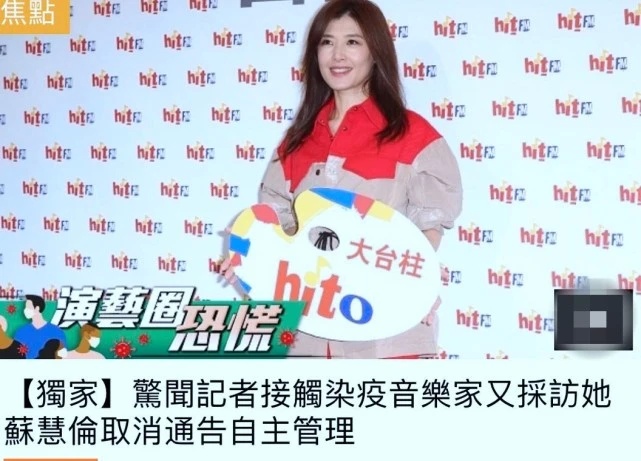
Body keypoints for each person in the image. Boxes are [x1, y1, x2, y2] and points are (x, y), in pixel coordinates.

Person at [223, 0, 462, 358]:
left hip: (385, 334)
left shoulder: (413, 135)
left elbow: (427, 232)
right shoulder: (297, 140)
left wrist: (416, 286)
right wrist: (252, 261)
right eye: (326, 42)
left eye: (352, 42)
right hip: (307, 334)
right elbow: (279, 227)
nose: (337, 55)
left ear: (376, 51)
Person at [14, 294, 67, 359]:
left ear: (37, 308)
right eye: (25, 307)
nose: (25, 310)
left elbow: (62, 356)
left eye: (28, 307)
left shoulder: (56, 332)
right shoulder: (21, 332)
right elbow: (15, 355)